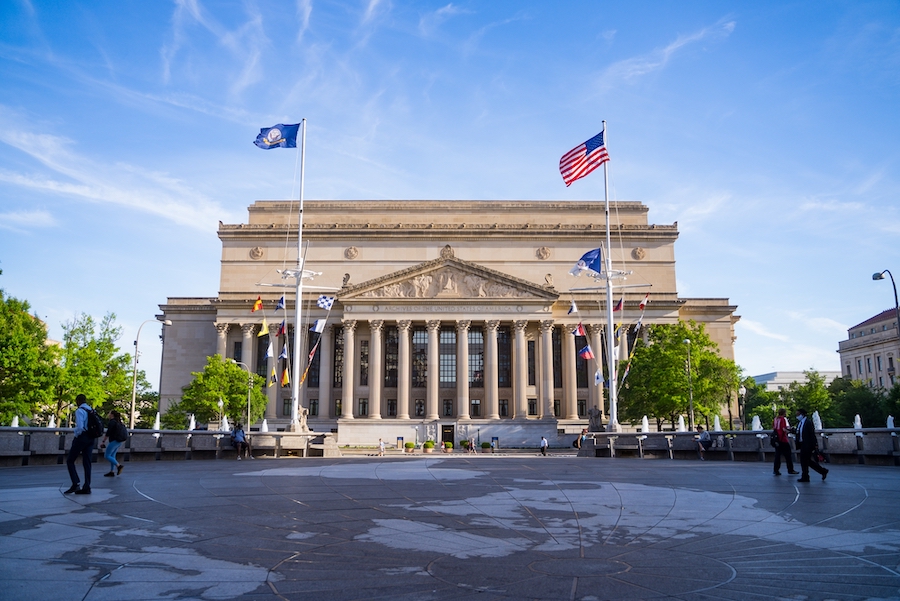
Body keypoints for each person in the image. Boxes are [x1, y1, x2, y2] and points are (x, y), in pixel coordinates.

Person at [65, 394, 97, 495]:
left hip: (82, 437)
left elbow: (80, 426)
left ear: (78, 401)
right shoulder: (91, 410)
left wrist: (76, 435)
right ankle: (87, 486)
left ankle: (75, 483)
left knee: (70, 460)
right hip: (91, 438)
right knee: (87, 462)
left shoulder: (79, 411)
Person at [795, 408, 828, 482]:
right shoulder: (800, 423)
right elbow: (799, 432)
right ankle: (822, 471)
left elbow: (812, 434)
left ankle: (806, 476)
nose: (797, 416)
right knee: (807, 461)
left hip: (807, 445)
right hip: (802, 444)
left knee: (804, 461)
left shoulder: (808, 422)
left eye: (798, 414)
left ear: (802, 414)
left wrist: (815, 444)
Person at [772, 408, 798, 476]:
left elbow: (774, 428)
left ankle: (776, 470)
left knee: (777, 455)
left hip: (777, 439)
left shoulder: (775, 419)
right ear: (784, 413)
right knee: (788, 455)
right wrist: (790, 431)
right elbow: (783, 429)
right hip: (783, 439)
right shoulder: (782, 419)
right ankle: (790, 469)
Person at [100, 410, 127, 477]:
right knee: (112, 456)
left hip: (114, 441)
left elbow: (108, 433)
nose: (108, 414)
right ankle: (112, 471)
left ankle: (119, 466)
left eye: (109, 413)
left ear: (112, 414)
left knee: (107, 455)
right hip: (119, 441)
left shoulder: (112, 422)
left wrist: (103, 441)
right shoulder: (119, 422)